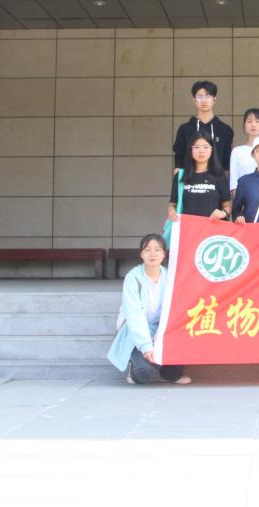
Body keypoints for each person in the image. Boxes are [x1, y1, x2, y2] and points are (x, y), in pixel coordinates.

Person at [106, 233, 191, 385]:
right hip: (137, 332)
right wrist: (146, 346)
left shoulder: (170, 277)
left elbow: (176, 310)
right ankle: (134, 367)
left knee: (174, 373)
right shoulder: (133, 278)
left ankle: (163, 370)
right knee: (144, 374)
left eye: (157, 250)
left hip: (162, 332)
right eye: (148, 250)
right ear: (141, 254)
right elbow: (134, 315)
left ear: (164, 254)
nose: (153, 254)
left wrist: (162, 334)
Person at [167, 130, 231, 225]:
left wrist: (222, 213)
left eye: (206, 147)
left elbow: (227, 206)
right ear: (191, 150)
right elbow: (173, 204)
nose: (201, 151)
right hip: (186, 229)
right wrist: (171, 211)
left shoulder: (219, 175)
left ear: (212, 150)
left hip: (212, 230)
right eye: (196, 147)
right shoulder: (180, 176)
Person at [172, 80, 234, 176]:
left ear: (214, 99)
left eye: (208, 96)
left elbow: (226, 163)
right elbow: (179, 160)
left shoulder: (225, 130)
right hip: (190, 180)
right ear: (194, 100)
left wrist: (224, 183)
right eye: (200, 96)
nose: (204, 100)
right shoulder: (185, 129)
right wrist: (179, 181)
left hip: (216, 181)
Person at [228, 108, 259, 192]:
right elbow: (234, 183)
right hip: (243, 196)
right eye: (249, 121)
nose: (253, 125)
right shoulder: (237, 151)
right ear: (244, 125)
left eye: (258, 121)